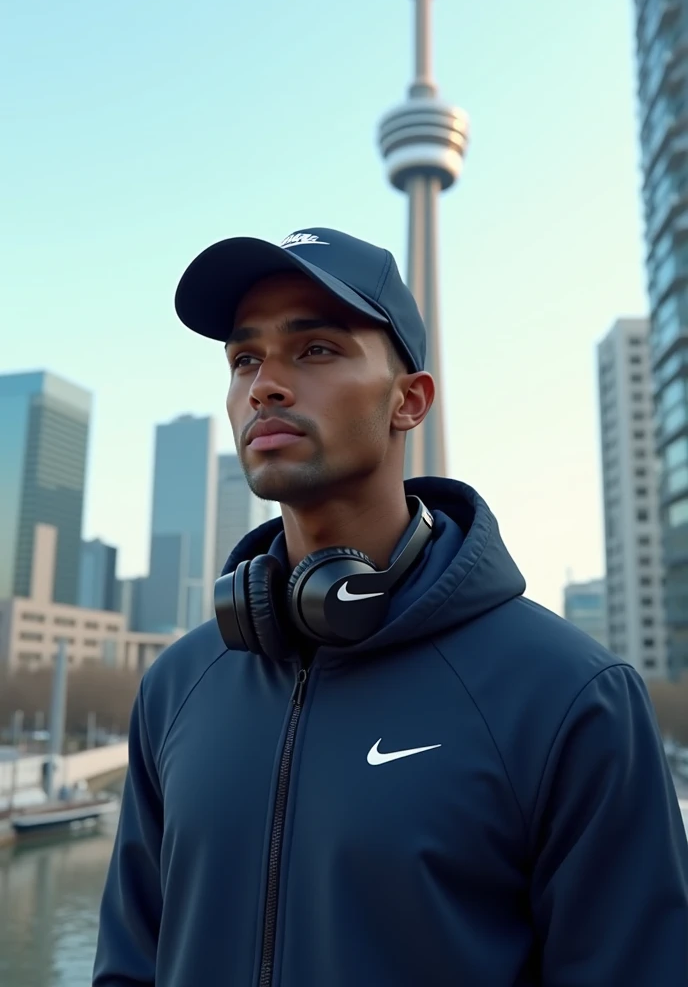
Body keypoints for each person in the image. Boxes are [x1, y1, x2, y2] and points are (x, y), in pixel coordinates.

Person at [93, 227, 688, 987]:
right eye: (245, 358)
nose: (264, 385)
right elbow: (128, 966)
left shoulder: (570, 695)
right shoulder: (178, 684)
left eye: (315, 350)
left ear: (409, 401)